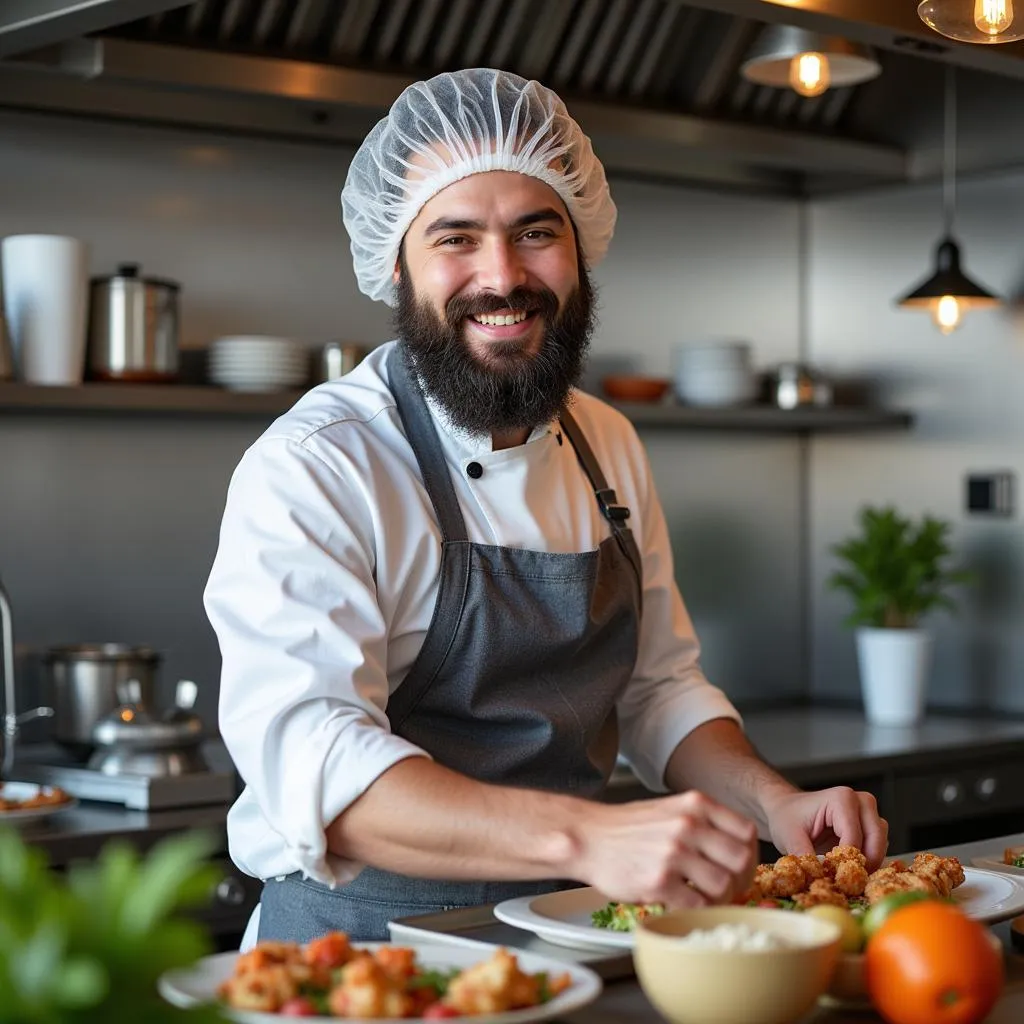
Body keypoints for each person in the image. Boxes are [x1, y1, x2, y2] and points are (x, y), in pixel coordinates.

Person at [205, 68, 888, 947]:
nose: (503, 276)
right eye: (456, 238)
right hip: (357, 957)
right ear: (397, 266)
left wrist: (772, 801)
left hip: (572, 938)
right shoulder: (319, 466)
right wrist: (592, 835)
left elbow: (659, 688)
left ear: (581, 246)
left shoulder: (607, 443)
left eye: (536, 231)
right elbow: (320, 768)